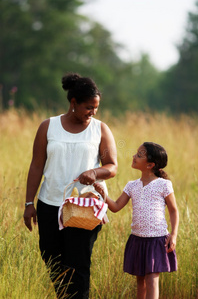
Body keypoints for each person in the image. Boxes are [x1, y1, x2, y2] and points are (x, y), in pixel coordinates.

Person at [23, 72, 118, 299]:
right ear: (73, 103)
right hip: (49, 205)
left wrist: (94, 172)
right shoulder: (48, 127)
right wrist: (29, 203)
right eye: (88, 107)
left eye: (96, 108)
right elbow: (36, 166)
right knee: (52, 259)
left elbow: (112, 166)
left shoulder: (100, 129)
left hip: (84, 207)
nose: (93, 112)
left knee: (79, 265)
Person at [94, 142, 179, 299]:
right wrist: (103, 194)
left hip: (157, 239)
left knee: (152, 279)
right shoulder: (131, 186)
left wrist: (173, 234)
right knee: (140, 282)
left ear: (150, 165)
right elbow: (116, 206)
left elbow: (174, 210)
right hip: (137, 239)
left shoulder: (164, 185)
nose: (134, 156)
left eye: (139, 155)